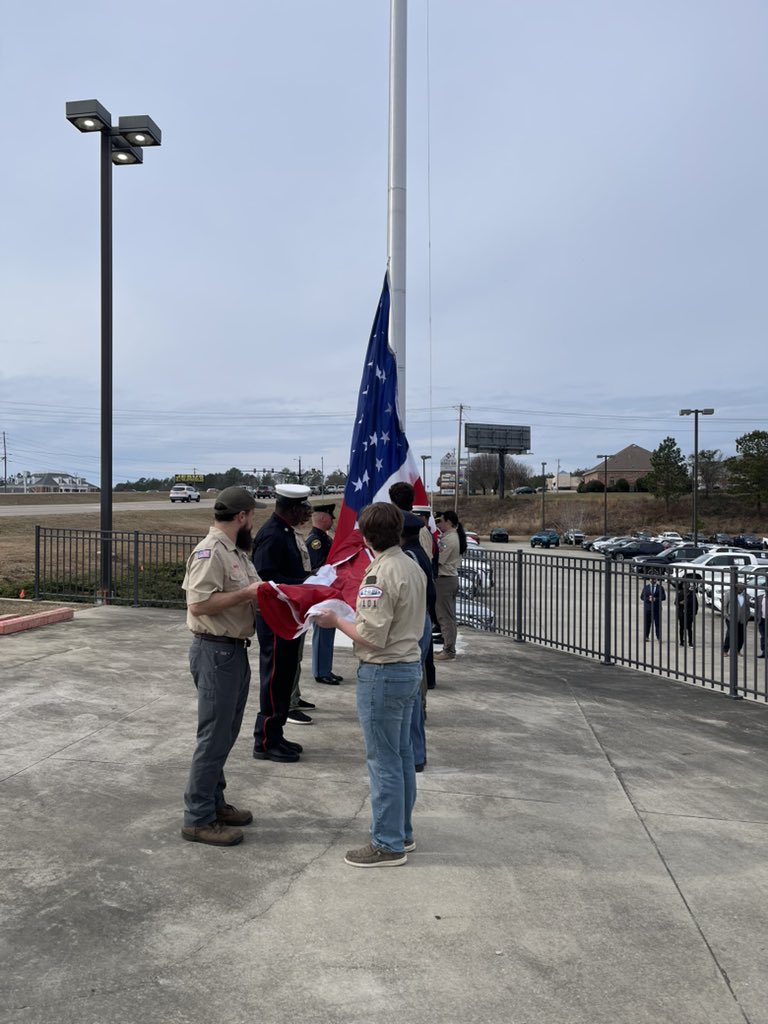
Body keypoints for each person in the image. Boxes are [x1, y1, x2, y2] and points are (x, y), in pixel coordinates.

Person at [313, 502, 426, 867]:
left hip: (384, 672)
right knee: (402, 755)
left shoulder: (379, 575)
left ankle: (387, 842)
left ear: (365, 535)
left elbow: (370, 636)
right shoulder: (411, 565)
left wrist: (334, 621)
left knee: (383, 761)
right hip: (408, 668)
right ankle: (401, 832)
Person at [181, 486, 262, 847]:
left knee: (226, 733)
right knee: (213, 737)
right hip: (215, 651)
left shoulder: (237, 553)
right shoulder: (211, 551)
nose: (253, 522)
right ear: (241, 517)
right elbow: (199, 603)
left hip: (233, 650)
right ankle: (197, 818)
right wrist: (247, 595)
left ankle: (215, 802)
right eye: (252, 516)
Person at [251, 484, 313, 763]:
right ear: (292, 508)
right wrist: (304, 585)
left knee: (285, 676)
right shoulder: (272, 535)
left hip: (287, 617)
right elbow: (266, 579)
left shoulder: (285, 531)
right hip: (274, 617)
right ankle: (265, 740)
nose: (307, 513)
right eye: (303, 508)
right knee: (275, 678)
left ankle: (276, 732)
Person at [401, 511, 435, 772]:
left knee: (410, 695)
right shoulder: (418, 552)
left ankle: (414, 754)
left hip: (415, 625)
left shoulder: (408, 557)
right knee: (413, 692)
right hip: (421, 621)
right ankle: (416, 752)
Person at [306, 503, 344, 685]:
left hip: (329, 590)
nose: (332, 520)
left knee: (328, 632)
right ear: (322, 518)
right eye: (330, 517)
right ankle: (321, 671)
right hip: (321, 591)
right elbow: (319, 567)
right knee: (322, 631)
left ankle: (325, 668)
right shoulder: (316, 541)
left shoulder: (325, 538)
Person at [434, 509, 466, 661]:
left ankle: (448, 650)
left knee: (445, 617)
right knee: (448, 616)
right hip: (449, 579)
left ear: (449, 522)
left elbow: (439, 559)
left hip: (445, 580)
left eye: (441, 521)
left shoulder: (450, 540)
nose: (439, 524)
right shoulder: (451, 537)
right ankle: (448, 648)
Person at [723, 582, 749, 654]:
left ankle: (738, 650)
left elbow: (747, 607)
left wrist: (747, 616)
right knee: (730, 634)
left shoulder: (746, 596)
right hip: (731, 618)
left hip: (743, 619)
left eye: (743, 588)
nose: (741, 590)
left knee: (741, 635)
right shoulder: (728, 594)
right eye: (740, 588)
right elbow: (725, 605)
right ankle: (725, 650)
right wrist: (726, 615)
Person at [674, 579, 698, 646]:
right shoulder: (680, 593)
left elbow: (696, 605)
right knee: (682, 628)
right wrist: (680, 603)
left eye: (687, 585)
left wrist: (694, 613)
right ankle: (681, 641)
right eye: (685, 585)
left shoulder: (692, 594)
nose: (686, 586)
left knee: (689, 628)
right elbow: (675, 602)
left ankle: (690, 642)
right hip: (681, 614)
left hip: (689, 614)